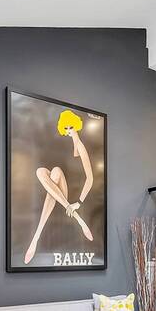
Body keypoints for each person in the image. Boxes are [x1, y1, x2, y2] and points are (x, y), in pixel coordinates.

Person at [24, 109, 95, 264]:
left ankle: (35, 238)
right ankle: (78, 219)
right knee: (41, 171)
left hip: (69, 192)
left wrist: (79, 202)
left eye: (71, 127)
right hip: (59, 189)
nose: (69, 131)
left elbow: (90, 179)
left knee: (56, 171)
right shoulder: (64, 145)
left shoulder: (81, 147)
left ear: (76, 125)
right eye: (66, 128)